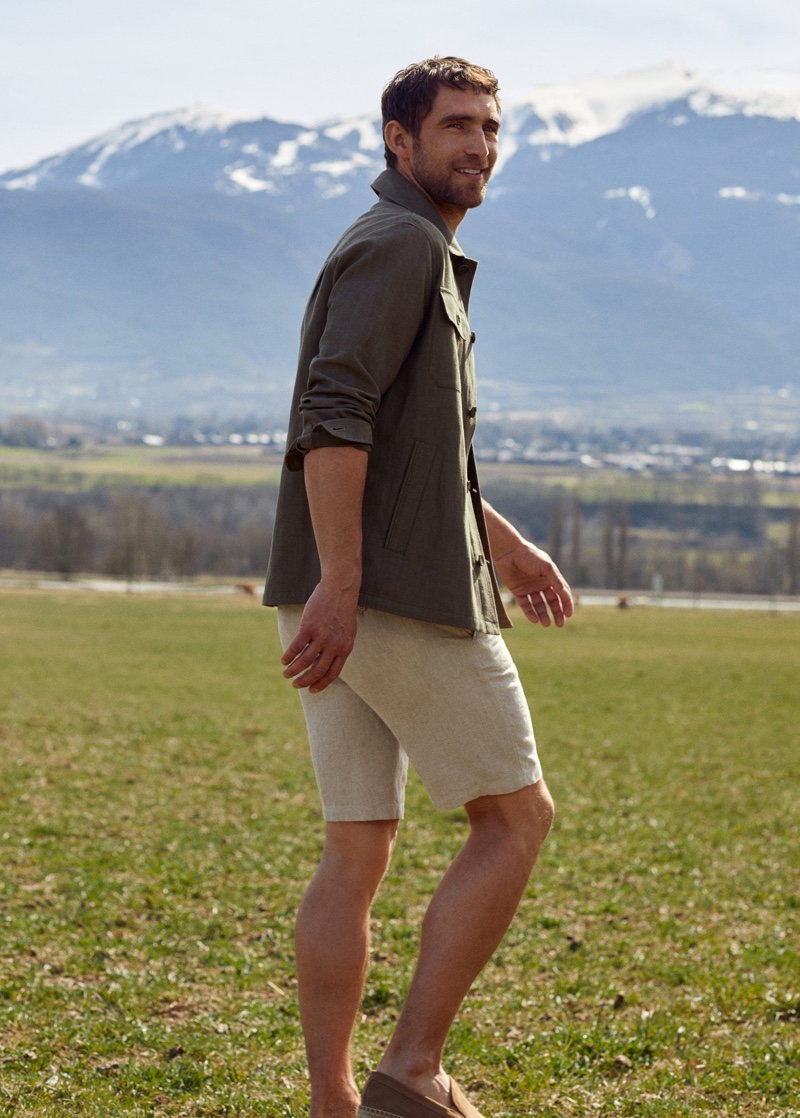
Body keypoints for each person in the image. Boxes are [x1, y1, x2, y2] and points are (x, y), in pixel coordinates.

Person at [263, 56, 573, 1118]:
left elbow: (410, 450)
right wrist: (345, 584)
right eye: (453, 127)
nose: (477, 146)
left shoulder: (404, 246)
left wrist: (507, 543)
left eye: (489, 128)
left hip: (343, 587)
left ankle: (333, 1099)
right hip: (387, 595)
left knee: (354, 842)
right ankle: (413, 1068)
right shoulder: (399, 245)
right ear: (397, 140)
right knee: (516, 817)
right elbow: (334, 413)